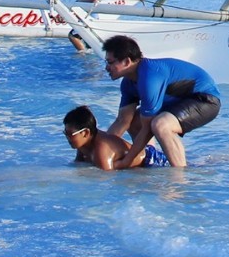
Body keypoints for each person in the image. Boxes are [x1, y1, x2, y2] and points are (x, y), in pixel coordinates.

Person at [103, 35, 219, 168]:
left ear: (127, 62)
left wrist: (125, 162)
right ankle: (150, 160)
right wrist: (97, 147)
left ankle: (180, 175)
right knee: (134, 121)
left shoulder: (149, 77)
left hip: (206, 100)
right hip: (179, 101)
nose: (106, 67)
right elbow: (122, 121)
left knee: (160, 125)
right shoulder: (127, 84)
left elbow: (147, 129)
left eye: (110, 62)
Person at [62, 105, 167, 170]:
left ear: (85, 133)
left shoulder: (102, 149)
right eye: (65, 133)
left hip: (152, 161)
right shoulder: (82, 144)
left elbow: (108, 180)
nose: (67, 137)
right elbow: (78, 164)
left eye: (70, 134)